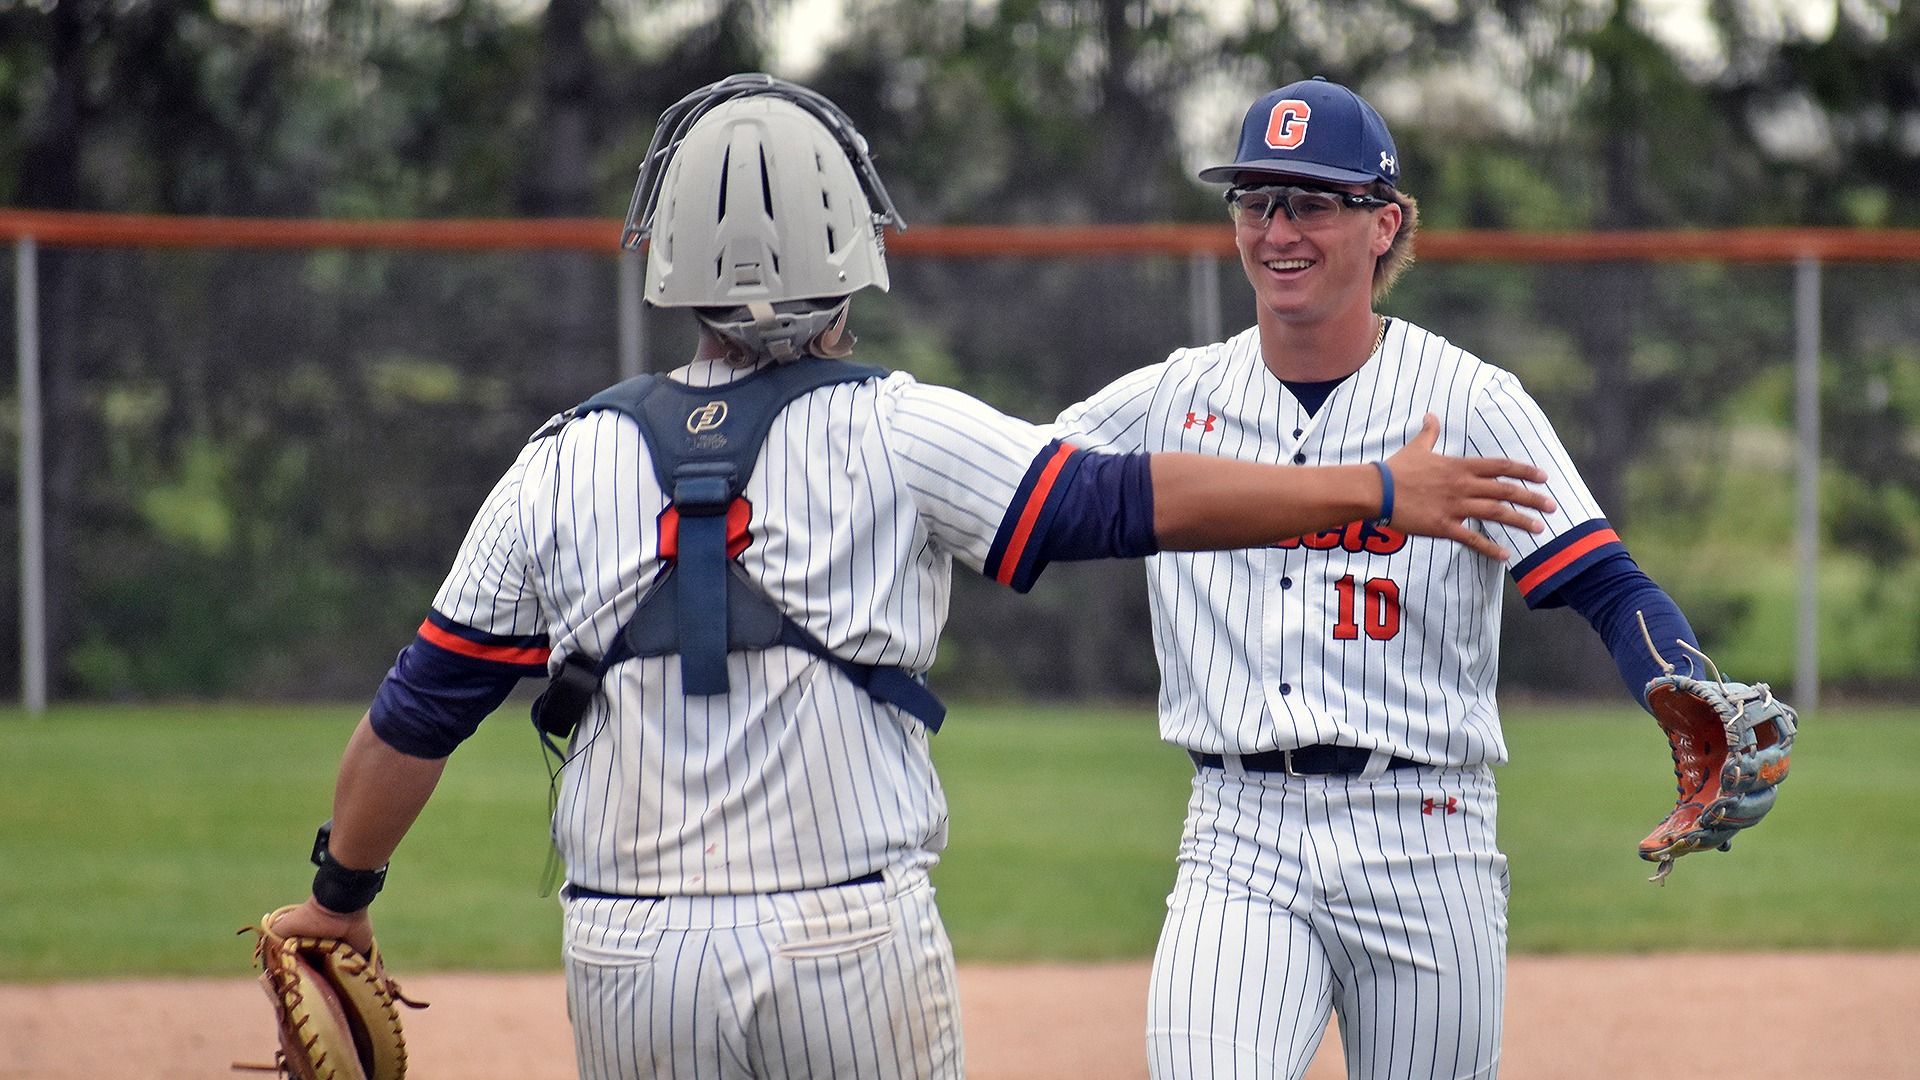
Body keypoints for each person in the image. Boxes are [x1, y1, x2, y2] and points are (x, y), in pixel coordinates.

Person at [262, 74, 1556, 1080]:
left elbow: (419, 707)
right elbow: (1116, 500)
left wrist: (339, 898)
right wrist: (1374, 489)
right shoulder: (901, 426)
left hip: (627, 953)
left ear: (666, 257)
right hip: (849, 944)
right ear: (852, 239)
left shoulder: (556, 463)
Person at [1050, 76, 1720, 1080]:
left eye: (1313, 202)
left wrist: (1681, 681)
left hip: (1426, 831)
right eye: (1255, 200)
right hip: (1238, 830)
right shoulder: (1172, 397)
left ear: (1385, 225)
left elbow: (1605, 583)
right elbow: (1014, 493)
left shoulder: (1467, 400)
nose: (1278, 229)